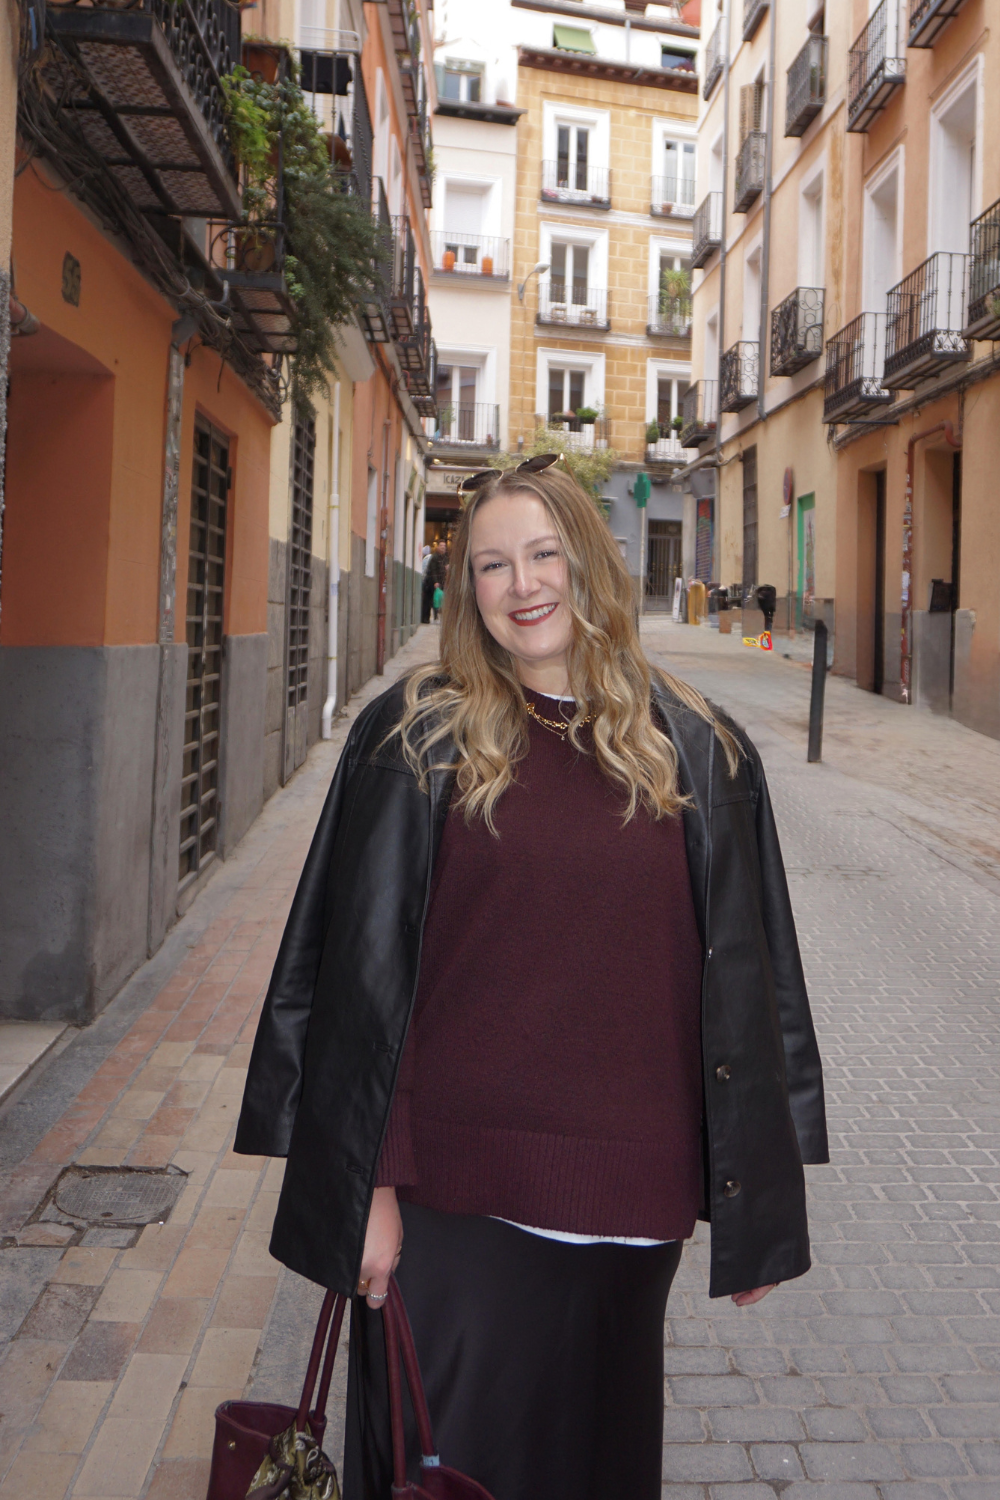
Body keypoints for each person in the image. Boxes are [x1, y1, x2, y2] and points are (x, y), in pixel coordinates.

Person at [235, 456, 828, 1500]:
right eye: (492, 564)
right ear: (466, 589)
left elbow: (754, 980)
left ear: (590, 563)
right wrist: (368, 1185)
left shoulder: (700, 748)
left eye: (544, 553)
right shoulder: (416, 737)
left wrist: (760, 1208)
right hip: (452, 1209)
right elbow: (360, 984)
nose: (523, 585)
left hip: (632, 1217)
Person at [421, 538, 448, 624]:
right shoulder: (434, 557)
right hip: (431, 583)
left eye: (444, 546)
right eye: (441, 546)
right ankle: (425, 619)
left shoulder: (445, 557)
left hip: (441, 582)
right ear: (438, 547)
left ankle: (436, 617)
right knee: (429, 601)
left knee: (438, 600)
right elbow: (433, 570)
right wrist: (436, 582)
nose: (443, 547)